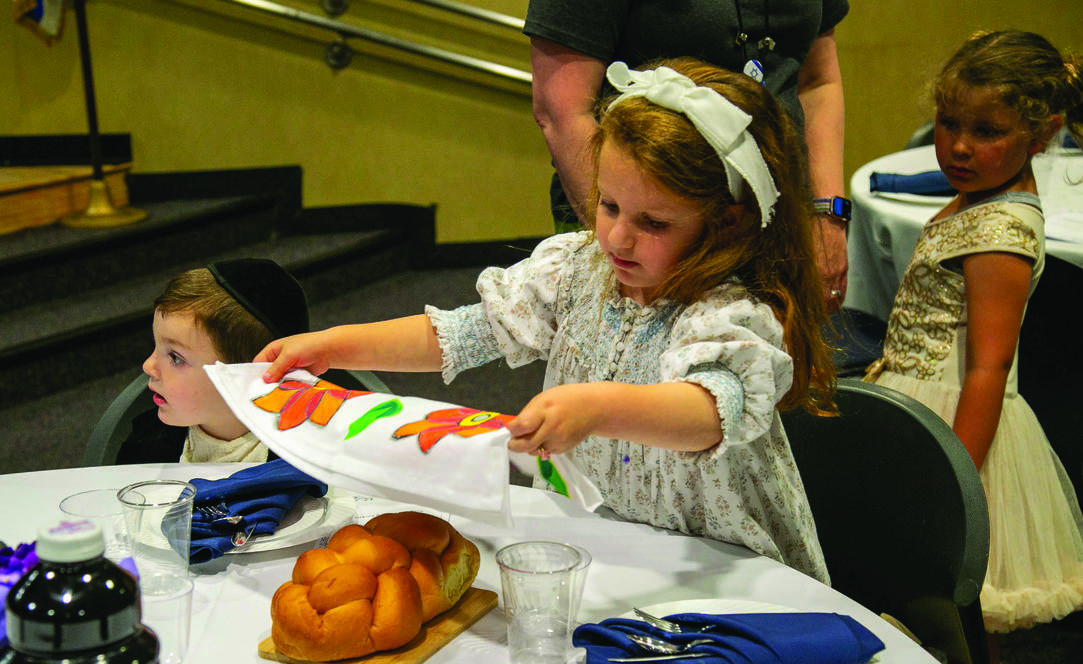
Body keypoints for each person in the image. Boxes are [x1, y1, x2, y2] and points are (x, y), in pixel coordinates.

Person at [257, 59, 837, 582]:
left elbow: (710, 412)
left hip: (717, 568)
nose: (617, 235)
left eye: (654, 222)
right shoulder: (576, 269)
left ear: (728, 223)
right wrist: (334, 346)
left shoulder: (729, 311)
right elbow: (462, 334)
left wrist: (595, 408)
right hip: (607, 541)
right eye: (608, 205)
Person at [865, 31, 1083, 643]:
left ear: (1042, 136)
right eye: (947, 122)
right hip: (921, 408)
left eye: (986, 132)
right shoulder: (981, 195)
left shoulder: (1001, 233)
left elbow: (989, 366)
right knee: (925, 612)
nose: (958, 146)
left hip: (960, 428)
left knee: (953, 616)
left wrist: (952, 476)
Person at [524, 1, 850, 310]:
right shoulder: (624, 238)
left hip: (779, 219)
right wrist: (629, 252)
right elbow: (563, 112)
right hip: (640, 231)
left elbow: (817, 82)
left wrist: (828, 215)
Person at [116, 258, 310, 464]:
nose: (148, 366)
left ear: (247, 375)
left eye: (175, 357)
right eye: (155, 346)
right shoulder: (144, 445)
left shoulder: (315, 459)